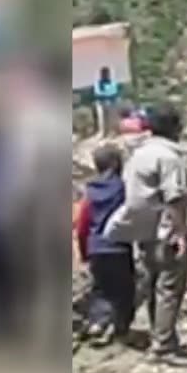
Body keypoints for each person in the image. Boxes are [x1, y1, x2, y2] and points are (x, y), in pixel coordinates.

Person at [103, 101, 187, 358]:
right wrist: (180, 232)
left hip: (143, 231)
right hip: (165, 230)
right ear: (176, 127)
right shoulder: (169, 157)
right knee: (169, 287)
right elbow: (174, 197)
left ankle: (159, 336)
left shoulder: (139, 154)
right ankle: (163, 344)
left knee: (153, 284)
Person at [76, 144, 135, 345]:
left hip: (96, 248)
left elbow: (82, 224)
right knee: (124, 289)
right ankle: (120, 329)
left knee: (100, 288)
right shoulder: (124, 189)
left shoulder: (89, 193)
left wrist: (85, 251)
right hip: (119, 247)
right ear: (117, 164)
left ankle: (97, 323)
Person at [93, 66, 121, 136]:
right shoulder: (99, 83)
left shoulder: (111, 82)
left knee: (113, 118)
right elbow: (98, 93)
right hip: (101, 103)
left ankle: (114, 131)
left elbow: (114, 92)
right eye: (104, 73)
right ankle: (104, 133)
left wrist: (109, 96)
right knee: (102, 119)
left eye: (107, 73)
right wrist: (106, 96)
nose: (106, 75)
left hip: (111, 102)